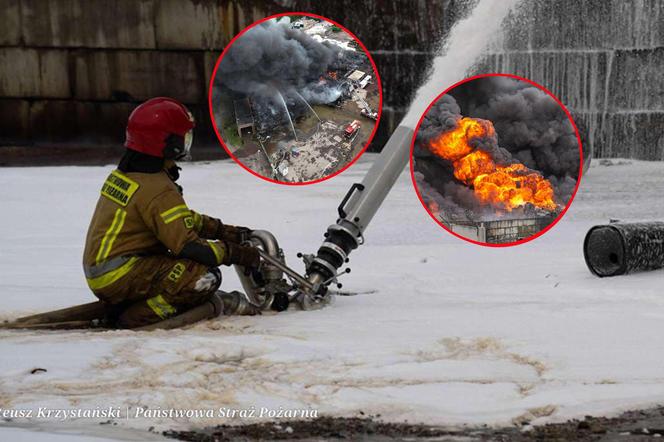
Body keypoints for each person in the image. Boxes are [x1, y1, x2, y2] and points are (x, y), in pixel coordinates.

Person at [82, 97, 261, 328]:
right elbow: (188, 246)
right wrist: (234, 253)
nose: (187, 143)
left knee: (183, 266)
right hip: (120, 274)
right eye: (184, 137)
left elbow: (178, 220)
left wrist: (223, 231)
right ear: (166, 142)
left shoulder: (130, 174)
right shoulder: (157, 189)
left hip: (106, 269)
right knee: (202, 277)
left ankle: (131, 301)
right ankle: (139, 316)